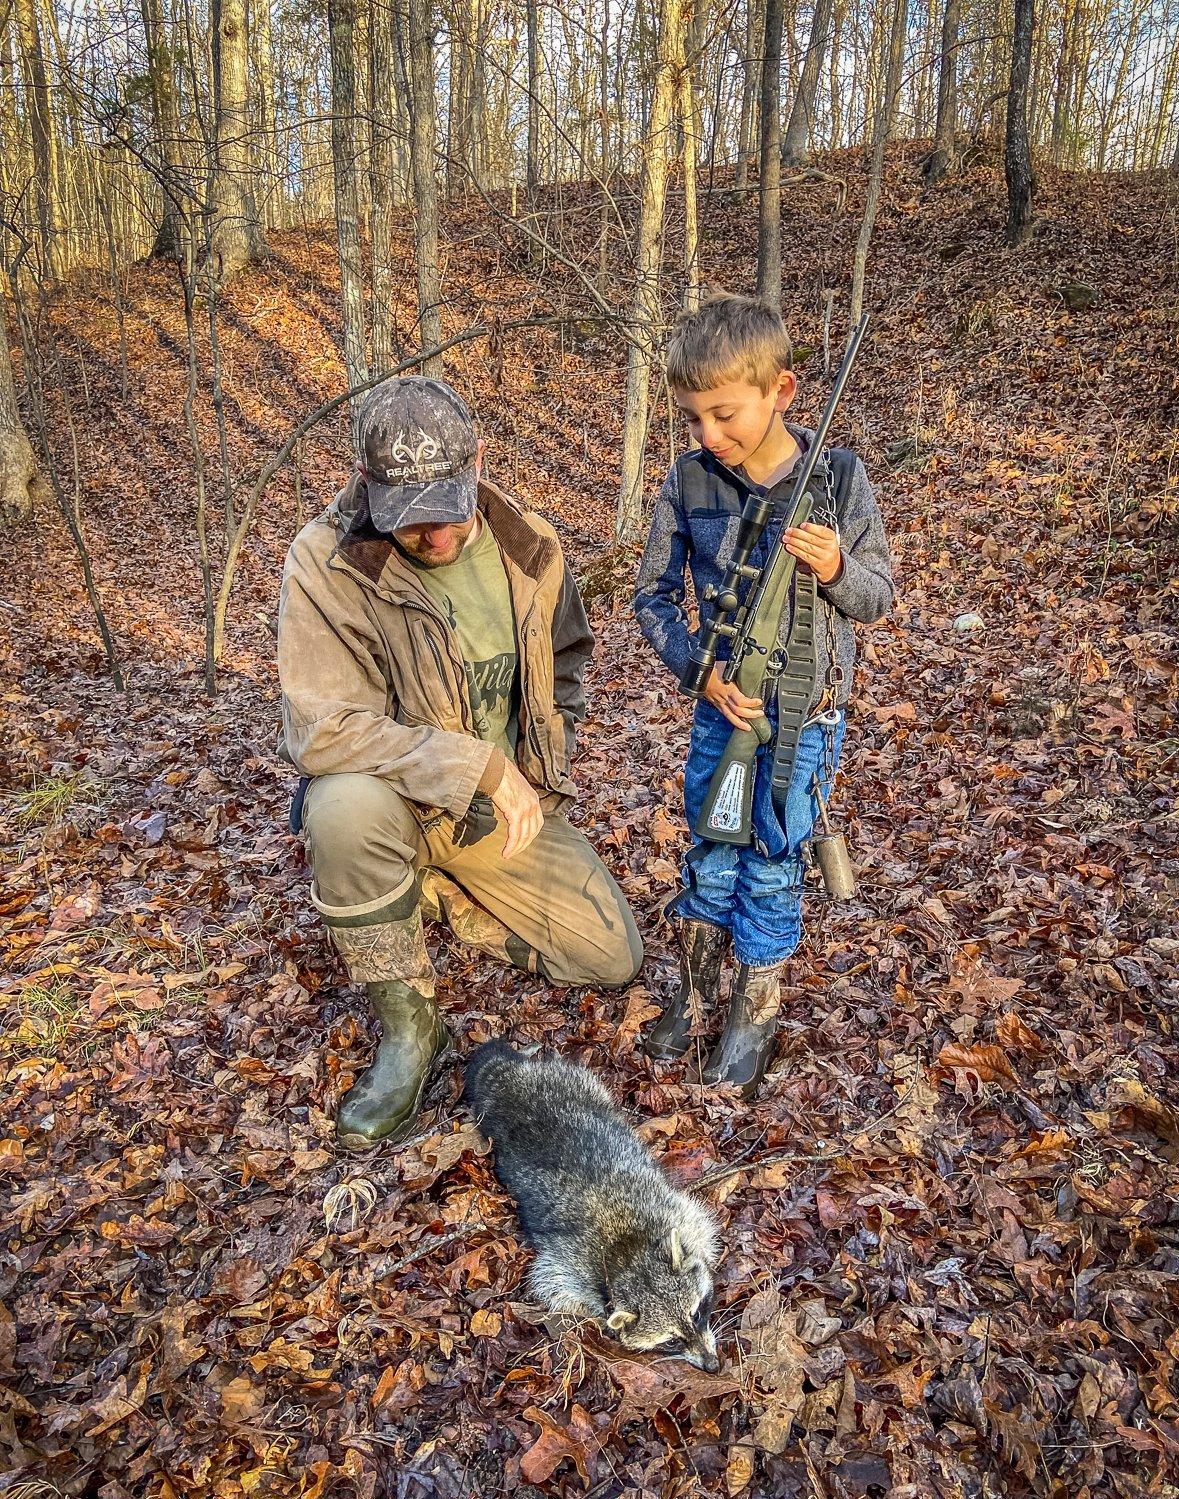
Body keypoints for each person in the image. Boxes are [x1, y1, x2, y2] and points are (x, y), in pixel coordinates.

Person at [278, 375, 642, 1149]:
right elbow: (320, 729)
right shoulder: (327, 561)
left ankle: (427, 889)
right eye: (409, 520)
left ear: (478, 461)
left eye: (446, 511)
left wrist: (548, 749)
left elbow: (569, 654)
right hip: (396, 802)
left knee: (610, 958)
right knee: (339, 808)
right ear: (368, 485)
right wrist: (475, 763)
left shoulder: (530, 546)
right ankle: (410, 1030)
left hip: (499, 812)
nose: (434, 537)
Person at [634, 294, 894, 1095]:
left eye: (723, 413)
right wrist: (698, 672)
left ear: (780, 392)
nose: (708, 435)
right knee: (710, 851)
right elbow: (651, 598)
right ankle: (695, 993)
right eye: (691, 418)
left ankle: (754, 1014)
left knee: (773, 862)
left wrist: (835, 571)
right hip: (721, 712)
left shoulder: (838, 479)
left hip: (803, 723)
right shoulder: (687, 481)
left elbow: (878, 595)